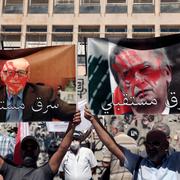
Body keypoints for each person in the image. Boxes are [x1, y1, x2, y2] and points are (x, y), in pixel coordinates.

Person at [84, 107, 180, 180]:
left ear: (166, 145)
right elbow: (111, 145)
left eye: (156, 143)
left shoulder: (176, 161)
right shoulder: (138, 164)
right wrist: (93, 119)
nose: (151, 147)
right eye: (148, 144)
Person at [0, 111, 81, 180]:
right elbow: (62, 149)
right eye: (25, 147)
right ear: (20, 151)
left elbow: (62, 149)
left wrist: (73, 125)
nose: (29, 149)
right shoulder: (9, 170)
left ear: (38, 151)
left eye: (32, 147)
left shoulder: (45, 172)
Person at [0, 58, 75, 122]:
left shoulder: (44, 94)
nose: (16, 77)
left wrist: (83, 111)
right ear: (2, 75)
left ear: (28, 76)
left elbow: (69, 113)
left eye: (21, 73)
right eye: (10, 73)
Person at [109, 47, 173, 115]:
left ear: (166, 72)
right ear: (121, 90)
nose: (137, 81)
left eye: (145, 69)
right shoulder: (112, 123)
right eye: (127, 75)